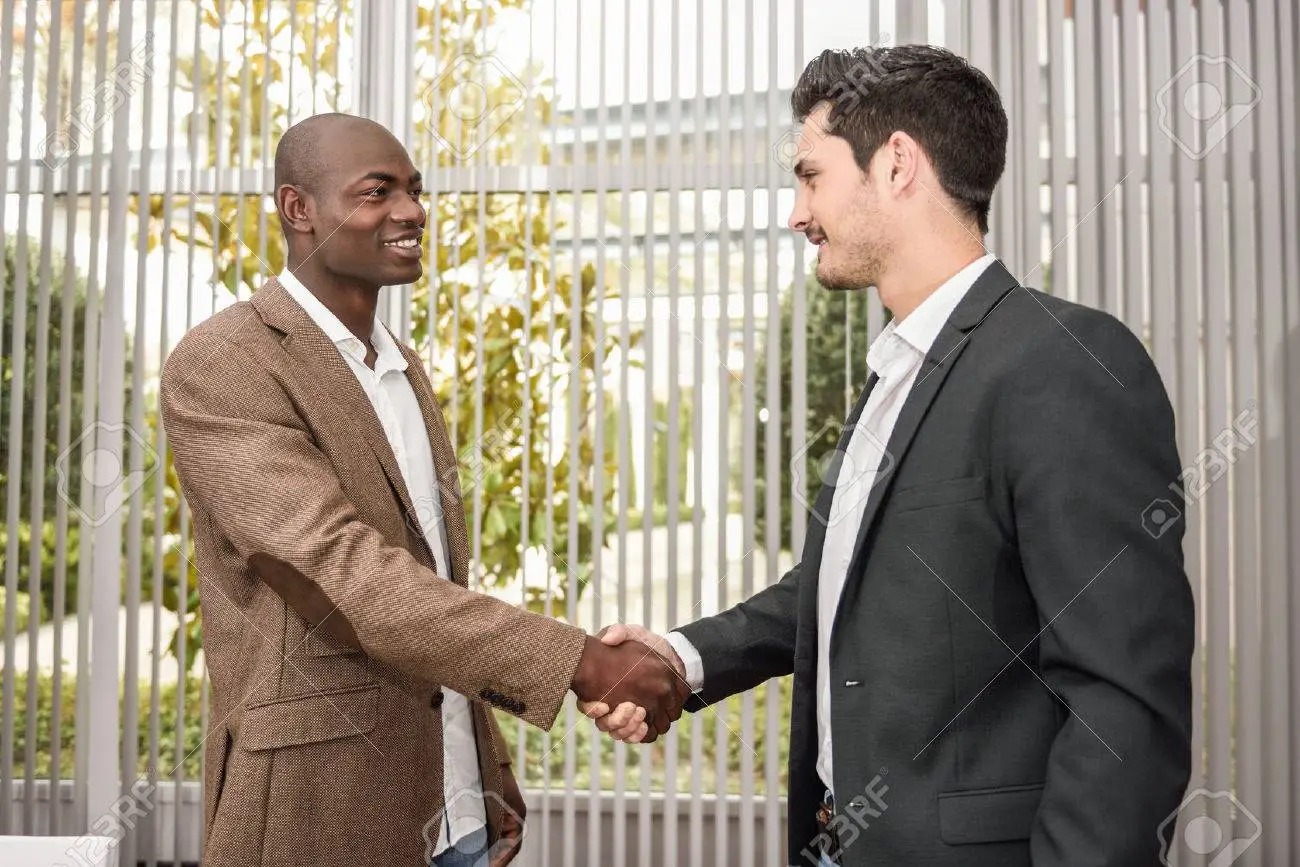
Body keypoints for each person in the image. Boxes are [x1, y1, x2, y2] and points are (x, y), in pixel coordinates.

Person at [584, 45, 1194, 866]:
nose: (796, 213)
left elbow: (1122, 698)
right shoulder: (898, 370)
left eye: (811, 175)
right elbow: (852, 584)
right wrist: (683, 658)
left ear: (897, 163)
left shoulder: (1063, 362)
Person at [159, 113, 686, 867]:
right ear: (297, 208)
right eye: (378, 192)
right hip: (323, 815)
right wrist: (579, 660)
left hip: (457, 816)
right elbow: (339, 575)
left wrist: (486, 773)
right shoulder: (225, 362)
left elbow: (431, 588)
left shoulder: (401, 368)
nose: (411, 211)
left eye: (414, 190)